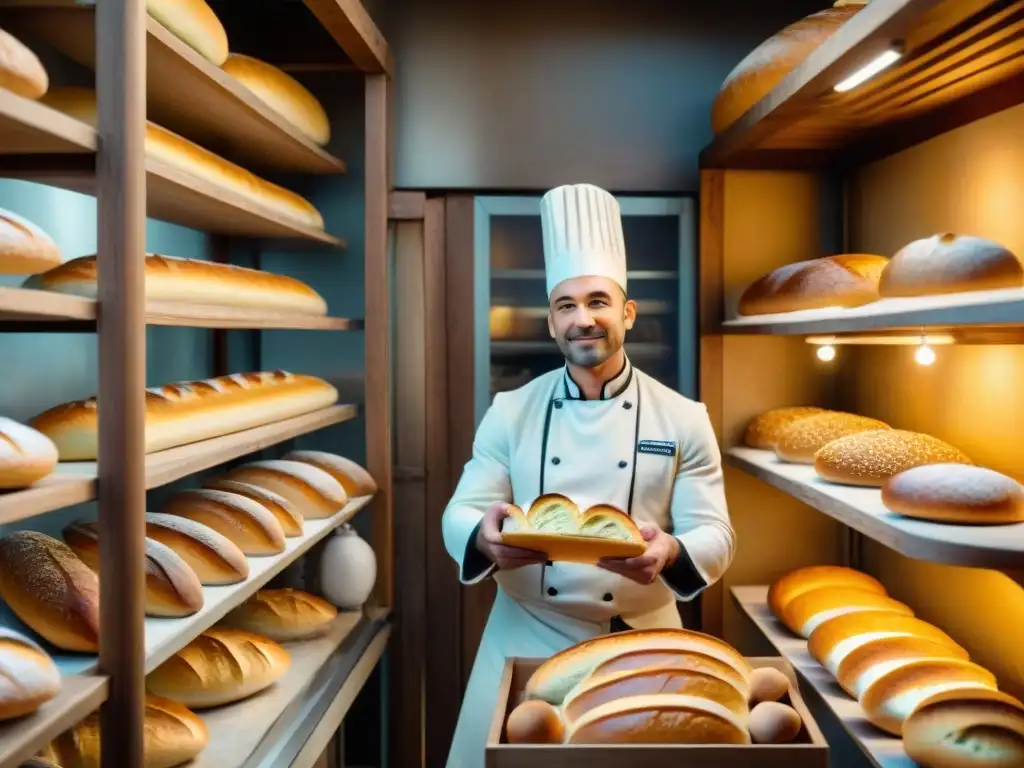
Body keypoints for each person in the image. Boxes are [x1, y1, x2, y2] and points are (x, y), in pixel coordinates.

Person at [440, 183, 735, 767]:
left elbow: (716, 533)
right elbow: (461, 508)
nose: (584, 320)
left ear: (626, 312)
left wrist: (672, 550)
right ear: (552, 323)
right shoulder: (512, 410)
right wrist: (483, 534)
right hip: (523, 631)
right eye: (567, 306)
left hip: (639, 640)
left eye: (598, 302)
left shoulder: (683, 418)